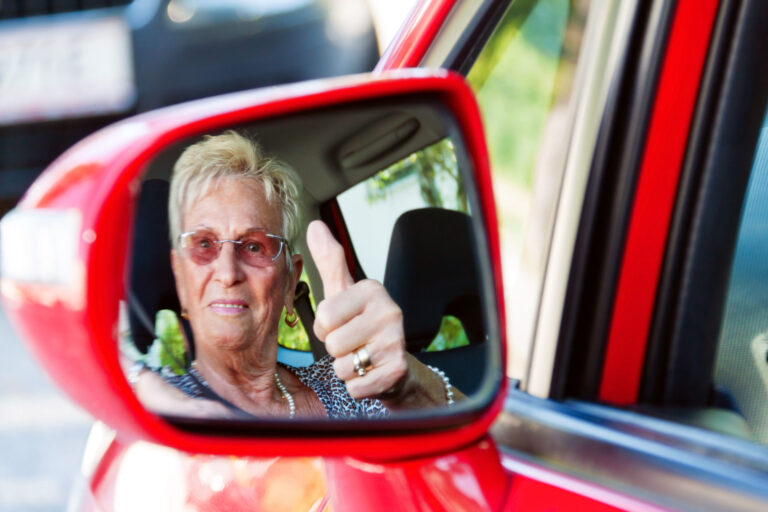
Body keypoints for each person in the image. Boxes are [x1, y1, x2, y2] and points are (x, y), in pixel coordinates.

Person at [129, 130, 463, 419]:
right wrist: (136, 383)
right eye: (204, 243)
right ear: (180, 277)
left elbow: (478, 437)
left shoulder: (350, 384)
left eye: (255, 246)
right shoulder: (161, 403)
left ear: (290, 282)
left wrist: (409, 385)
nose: (228, 273)